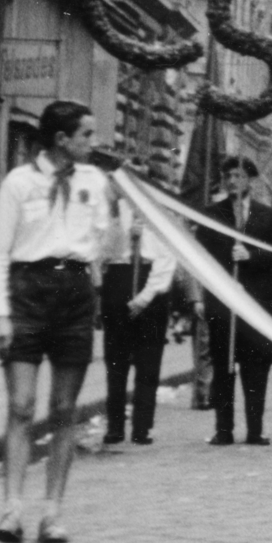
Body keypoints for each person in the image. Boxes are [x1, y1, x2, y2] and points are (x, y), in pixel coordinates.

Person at [0, 100, 114, 543]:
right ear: (62, 140)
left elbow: (101, 240)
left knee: (64, 409)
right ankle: (11, 511)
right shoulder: (20, 182)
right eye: (87, 136)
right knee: (21, 405)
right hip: (27, 292)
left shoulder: (95, 181)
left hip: (75, 293)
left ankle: (52, 513)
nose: (93, 144)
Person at [196, 156, 272, 446]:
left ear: (250, 180)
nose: (233, 181)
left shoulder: (268, 216)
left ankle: (255, 429)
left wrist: (251, 256)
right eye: (228, 176)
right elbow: (200, 256)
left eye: (238, 176)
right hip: (223, 303)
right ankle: (224, 429)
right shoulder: (211, 214)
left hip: (256, 305)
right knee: (223, 368)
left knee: (255, 368)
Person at [100, 186, 176, 445]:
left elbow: (167, 259)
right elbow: (103, 253)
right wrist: (121, 232)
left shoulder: (158, 214)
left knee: (148, 362)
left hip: (150, 282)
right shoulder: (112, 212)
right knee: (116, 362)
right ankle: (115, 425)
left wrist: (145, 296)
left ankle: (142, 426)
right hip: (120, 279)